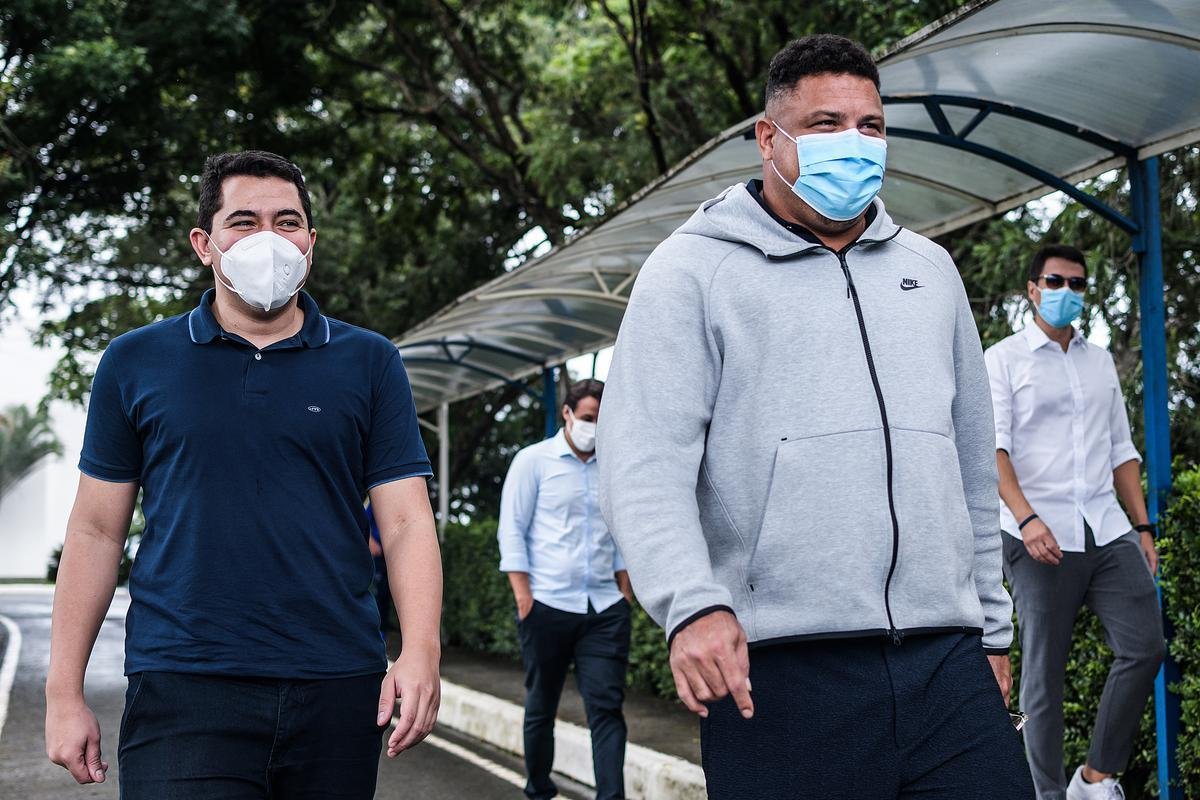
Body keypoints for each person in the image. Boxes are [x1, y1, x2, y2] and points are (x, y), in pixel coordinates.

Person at [596, 35, 1034, 799]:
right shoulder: (691, 271)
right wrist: (691, 605)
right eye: (826, 124)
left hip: (946, 667)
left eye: (871, 126)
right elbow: (643, 460)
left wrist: (991, 630)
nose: (854, 143)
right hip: (778, 668)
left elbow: (969, 464)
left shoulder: (930, 272)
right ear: (769, 138)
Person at [44, 150, 443, 799]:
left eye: (287, 222)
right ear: (205, 244)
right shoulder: (135, 361)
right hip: (183, 685)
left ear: (310, 241)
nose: (268, 239)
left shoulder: (371, 362)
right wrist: (63, 693)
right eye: (244, 221)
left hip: (338, 684)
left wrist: (421, 650)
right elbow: (95, 531)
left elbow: (405, 523)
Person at [984, 244, 1166, 800]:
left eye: (1078, 284)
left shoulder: (1100, 360)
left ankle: (1093, 779)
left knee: (1146, 646)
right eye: (1056, 281)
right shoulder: (1003, 359)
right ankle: (1046, 794)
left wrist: (1142, 528)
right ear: (1032, 289)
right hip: (1035, 532)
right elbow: (993, 449)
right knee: (1043, 676)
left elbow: (1121, 450)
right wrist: (1027, 518)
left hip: (1105, 526)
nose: (1068, 292)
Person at [498, 379, 634, 800]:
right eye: (589, 417)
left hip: (604, 609)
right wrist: (524, 599)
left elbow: (622, 532)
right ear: (568, 414)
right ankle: (539, 789)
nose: (595, 427)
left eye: (602, 420)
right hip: (547, 605)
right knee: (542, 706)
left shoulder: (613, 467)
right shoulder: (533, 461)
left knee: (607, 709)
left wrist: (625, 592)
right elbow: (512, 530)